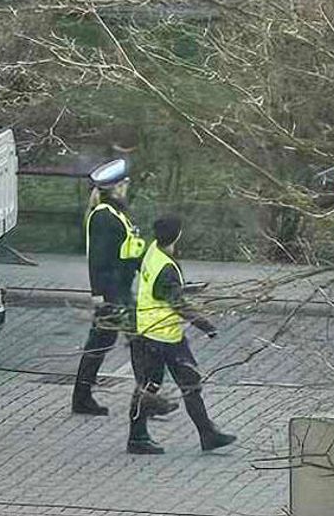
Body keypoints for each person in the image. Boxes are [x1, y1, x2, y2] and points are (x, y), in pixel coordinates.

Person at [73, 159, 176, 417]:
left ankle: (82, 397)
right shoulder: (104, 217)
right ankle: (147, 400)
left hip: (119, 290)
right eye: (125, 182)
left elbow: (130, 252)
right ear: (117, 186)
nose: (127, 186)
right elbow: (98, 260)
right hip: (113, 293)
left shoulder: (116, 213)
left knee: (99, 344)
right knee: (141, 343)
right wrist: (100, 296)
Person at [128, 216, 236, 454]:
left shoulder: (153, 251)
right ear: (177, 235)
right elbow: (177, 303)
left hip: (157, 332)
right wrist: (206, 325)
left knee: (187, 383)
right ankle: (137, 438)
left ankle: (208, 434)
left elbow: (163, 290)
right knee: (152, 387)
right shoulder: (166, 267)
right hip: (160, 336)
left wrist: (186, 287)